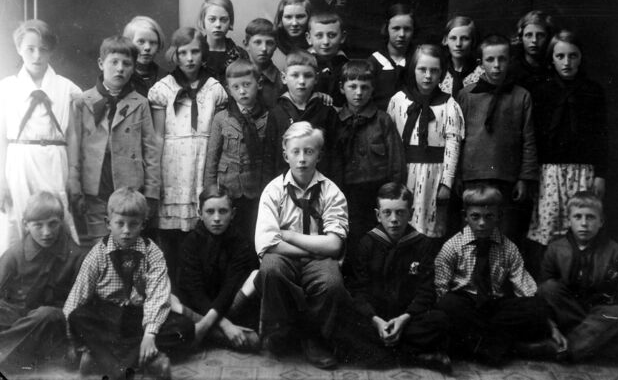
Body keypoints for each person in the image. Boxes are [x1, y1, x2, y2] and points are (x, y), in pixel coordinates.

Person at [63, 188, 195, 380]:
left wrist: (150, 334)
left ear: (143, 224)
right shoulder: (97, 254)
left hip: (139, 316)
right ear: (108, 223)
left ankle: (102, 360)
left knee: (185, 328)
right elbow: (78, 295)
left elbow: (158, 295)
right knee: (77, 317)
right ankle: (146, 362)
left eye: (133, 224)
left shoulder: (153, 253)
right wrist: (72, 338)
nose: (126, 230)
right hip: (108, 315)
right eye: (120, 223)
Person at [255, 122, 349, 369]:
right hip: (286, 256)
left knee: (331, 282)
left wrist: (288, 235)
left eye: (309, 151)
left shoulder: (331, 192)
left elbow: (334, 245)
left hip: (319, 260)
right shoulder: (274, 190)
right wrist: (312, 249)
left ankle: (314, 338)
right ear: (285, 155)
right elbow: (267, 244)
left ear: (319, 155)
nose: (302, 159)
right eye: (295, 151)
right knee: (270, 269)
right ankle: (281, 330)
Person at [434, 185, 553, 366]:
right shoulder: (452, 247)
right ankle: (505, 348)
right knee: (447, 304)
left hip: (494, 306)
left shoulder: (508, 248)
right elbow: (440, 289)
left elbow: (525, 287)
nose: (482, 223)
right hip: (466, 305)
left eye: (489, 216)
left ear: (499, 216)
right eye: (475, 216)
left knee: (538, 307)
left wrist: (550, 324)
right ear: (465, 216)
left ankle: (479, 347)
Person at [338, 182, 451, 373]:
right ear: (377, 215)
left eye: (400, 213)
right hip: (376, 318)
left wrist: (403, 319)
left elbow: (426, 291)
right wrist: (376, 321)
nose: (394, 220)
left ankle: (384, 357)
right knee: (343, 323)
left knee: (440, 320)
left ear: (411, 213)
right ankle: (415, 357)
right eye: (387, 213)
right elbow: (358, 290)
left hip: (407, 319)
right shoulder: (366, 244)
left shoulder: (423, 244)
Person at [148, 27, 228, 283]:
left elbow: (218, 134)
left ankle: (197, 289)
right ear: (175, 55)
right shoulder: (163, 88)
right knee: (172, 239)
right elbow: (158, 135)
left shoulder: (214, 88)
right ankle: (172, 290)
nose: (190, 58)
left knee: (200, 235)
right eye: (183, 52)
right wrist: (155, 177)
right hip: (173, 164)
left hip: (203, 160)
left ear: (203, 53)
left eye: (195, 51)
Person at [525, 30, 608, 277]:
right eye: (560, 56)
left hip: (583, 171)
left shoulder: (592, 90)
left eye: (573, 56)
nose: (567, 62)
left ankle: (578, 281)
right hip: (549, 173)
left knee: (580, 227)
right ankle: (547, 282)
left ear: (581, 58)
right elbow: (532, 136)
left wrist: (600, 174)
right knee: (548, 229)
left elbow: (601, 136)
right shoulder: (541, 90)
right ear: (551, 59)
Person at [71, 35, 160, 243]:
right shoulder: (83, 101)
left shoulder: (140, 103)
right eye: (114, 62)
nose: (120, 69)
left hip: (128, 188)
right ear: (101, 64)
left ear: (133, 67)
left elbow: (151, 152)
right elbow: (75, 150)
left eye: (127, 64)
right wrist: (76, 188)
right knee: (99, 244)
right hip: (95, 188)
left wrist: (151, 193)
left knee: (127, 241)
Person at [0, 19, 81, 246]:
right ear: (19, 49)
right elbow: (1, 136)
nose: (37, 56)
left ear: (51, 51)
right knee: (18, 217)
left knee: (56, 214)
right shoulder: (6, 88)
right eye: (30, 49)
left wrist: (73, 175)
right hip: (19, 160)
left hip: (54, 159)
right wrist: (1, 179)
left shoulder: (66, 88)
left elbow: (72, 135)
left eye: (43, 49)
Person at [537, 191, 618, 363]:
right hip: (568, 312)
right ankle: (584, 345)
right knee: (548, 288)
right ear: (569, 221)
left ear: (601, 222)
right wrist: (551, 326)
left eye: (590, 217)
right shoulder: (555, 249)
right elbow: (542, 294)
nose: (584, 223)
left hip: (601, 317)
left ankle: (565, 349)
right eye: (578, 217)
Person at [457, 34, 538, 248]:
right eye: (490, 59)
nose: (496, 65)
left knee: (506, 235)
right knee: (472, 235)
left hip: (507, 177)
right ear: (481, 63)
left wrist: (524, 178)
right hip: (473, 176)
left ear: (509, 60)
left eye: (502, 59)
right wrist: (457, 176)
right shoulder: (466, 95)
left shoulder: (521, 96)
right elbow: (456, 139)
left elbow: (528, 140)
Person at [0, 191, 85, 372]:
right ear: (26, 224)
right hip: (18, 319)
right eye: (38, 225)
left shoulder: (76, 256)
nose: (46, 232)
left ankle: (6, 356)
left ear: (61, 221)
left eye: (53, 224)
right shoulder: (15, 254)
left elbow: (81, 305)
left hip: (52, 326)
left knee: (47, 314)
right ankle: (15, 351)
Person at [387, 44, 464, 240]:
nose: (428, 76)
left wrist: (446, 183)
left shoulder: (449, 105)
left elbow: (453, 146)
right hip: (404, 173)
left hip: (434, 176)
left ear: (442, 73)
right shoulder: (398, 101)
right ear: (413, 70)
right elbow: (391, 143)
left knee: (430, 229)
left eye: (434, 70)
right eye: (422, 69)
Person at [335, 60, 406, 271]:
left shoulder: (382, 120)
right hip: (347, 194)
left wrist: (393, 192)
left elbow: (396, 160)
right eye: (352, 86)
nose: (359, 93)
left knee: (378, 239)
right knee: (351, 238)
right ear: (342, 88)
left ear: (373, 88)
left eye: (364, 87)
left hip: (377, 193)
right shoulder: (336, 120)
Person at [175, 185, 260, 351]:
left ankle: (202, 331)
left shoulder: (240, 242)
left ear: (233, 214)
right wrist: (225, 325)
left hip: (229, 306)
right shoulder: (190, 243)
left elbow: (230, 289)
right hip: (199, 307)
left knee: (257, 275)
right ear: (200, 213)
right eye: (210, 211)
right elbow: (194, 292)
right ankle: (217, 332)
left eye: (223, 211)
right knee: (171, 300)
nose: (216, 218)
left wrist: (207, 324)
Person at [204, 59, 268, 242]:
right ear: (228, 89)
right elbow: (212, 159)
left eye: (247, 85)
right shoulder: (222, 118)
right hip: (228, 188)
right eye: (236, 87)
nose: (242, 91)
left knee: (253, 232)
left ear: (259, 84)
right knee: (228, 235)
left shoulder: (267, 117)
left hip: (255, 188)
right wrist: (210, 191)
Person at [262, 51, 338, 182]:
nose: (301, 81)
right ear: (284, 78)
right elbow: (270, 156)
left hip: (319, 181)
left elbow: (335, 155)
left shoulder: (326, 111)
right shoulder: (277, 112)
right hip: (285, 181)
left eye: (308, 76)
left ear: (316, 78)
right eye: (295, 75)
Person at [368, 3, 416, 110]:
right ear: (386, 29)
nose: (402, 34)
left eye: (407, 29)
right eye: (396, 28)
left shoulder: (419, 59)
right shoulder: (374, 61)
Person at [196, 0, 248, 82]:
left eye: (223, 20)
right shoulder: (194, 53)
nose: (218, 25)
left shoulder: (240, 55)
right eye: (212, 19)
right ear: (203, 21)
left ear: (230, 21)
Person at [306, 11, 349, 107]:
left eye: (332, 35)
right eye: (319, 36)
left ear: (342, 37)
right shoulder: (302, 65)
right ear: (309, 38)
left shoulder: (347, 66)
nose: (325, 42)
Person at [507, 10, 556, 92]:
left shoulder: (554, 67)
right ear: (521, 38)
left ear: (548, 37)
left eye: (540, 35)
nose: (534, 40)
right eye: (528, 35)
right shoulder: (512, 70)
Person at [439, 15, 484, 98]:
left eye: (465, 38)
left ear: (473, 41)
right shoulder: (439, 70)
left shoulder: (482, 72)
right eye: (453, 38)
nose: (458, 44)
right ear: (445, 40)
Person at [242, 17, 284, 108]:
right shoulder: (236, 75)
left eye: (269, 43)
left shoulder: (282, 82)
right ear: (246, 45)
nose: (264, 48)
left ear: (276, 46)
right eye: (258, 42)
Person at [122, 15, 167, 97]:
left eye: (153, 43)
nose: (147, 48)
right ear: (129, 44)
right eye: (141, 42)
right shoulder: (120, 77)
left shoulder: (166, 78)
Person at [271, 0, 312, 72]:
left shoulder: (316, 46)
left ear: (309, 17)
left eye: (300, 17)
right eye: (288, 17)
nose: (294, 23)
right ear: (281, 19)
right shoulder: (272, 43)